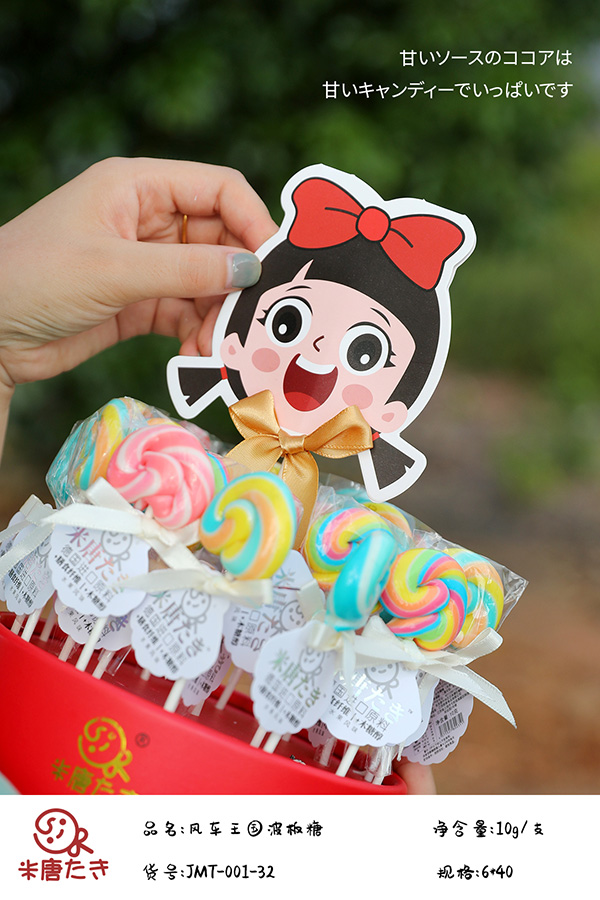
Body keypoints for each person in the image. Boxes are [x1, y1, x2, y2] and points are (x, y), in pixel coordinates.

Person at [0, 156, 435, 794]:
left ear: (391, 414)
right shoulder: (176, 458)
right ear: (235, 343)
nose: (316, 351)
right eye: (288, 323)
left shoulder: (345, 529)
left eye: (364, 352)